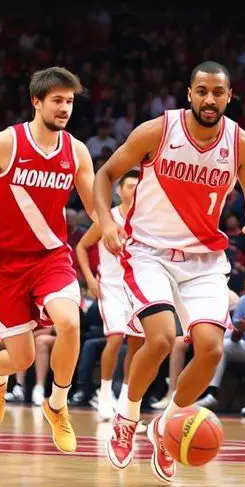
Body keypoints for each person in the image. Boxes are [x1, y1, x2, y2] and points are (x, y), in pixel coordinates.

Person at [95, 61, 245, 483]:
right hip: (149, 251)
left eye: (218, 92)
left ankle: (166, 427)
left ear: (229, 96)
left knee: (210, 349)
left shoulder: (242, 144)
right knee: (160, 339)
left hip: (204, 259)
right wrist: (106, 222)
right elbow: (106, 175)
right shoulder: (158, 131)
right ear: (189, 93)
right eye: (202, 91)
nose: (210, 99)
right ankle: (127, 414)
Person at [0, 67, 95, 454]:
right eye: (57, 101)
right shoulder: (5, 144)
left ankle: (57, 405)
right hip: (0, 263)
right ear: (37, 102)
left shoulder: (76, 151)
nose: (65, 108)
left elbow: (96, 204)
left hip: (50, 257)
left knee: (69, 322)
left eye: (69, 101)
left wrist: (114, 227)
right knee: (23, 358)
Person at [74, 170, 145, 421]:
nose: (133, 190)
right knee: (115, 340)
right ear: (119, 190)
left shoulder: (146, 219)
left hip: (138, 288)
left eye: (138, 186)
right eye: (129, 186)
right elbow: (81, 247)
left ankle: (126, 397)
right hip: (111, 287)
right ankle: (103, 395)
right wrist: (91, 279)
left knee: (136, 345)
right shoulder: (108, 217)